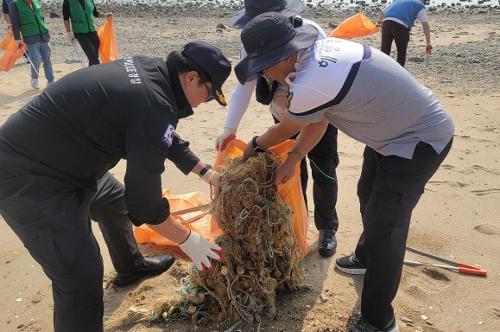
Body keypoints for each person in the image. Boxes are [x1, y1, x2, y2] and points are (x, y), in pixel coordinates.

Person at [236, 13, 454, 332]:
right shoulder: (315, 55)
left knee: (386, 226)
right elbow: (320, 119)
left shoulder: (310, 81)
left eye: (264, 66)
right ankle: (365, 259)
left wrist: (254, 145)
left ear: (282, 56)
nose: (265, 74)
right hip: (387, 135)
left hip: (419, 140)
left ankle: (378, 320)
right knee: (367, 193)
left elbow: (290, 126)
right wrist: (295, 156)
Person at [0, 41, 231, 332]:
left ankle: (130, 265)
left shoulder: (152, 71)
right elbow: (144, 204)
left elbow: (161, 133)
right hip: (30, 177)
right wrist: (189, 240)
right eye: (209, 95)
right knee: (80, 276)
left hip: (66, 156)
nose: (202, 103)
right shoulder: (154, 103)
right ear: (191, 78)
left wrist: (205, 172)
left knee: (112, 200)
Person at [216, 0, 339, 257]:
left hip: (319, 113)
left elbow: (324, 104)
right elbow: (245, 84)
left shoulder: (312, 36)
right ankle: (296, 222)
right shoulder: (253, 40)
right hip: (283, 117)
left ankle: (327, 228)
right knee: (292, 170)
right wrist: (229, 127)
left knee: (323, 167)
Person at [8, 0, 54, 89]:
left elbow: (41, 16)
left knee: (47, 59)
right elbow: (15, 23)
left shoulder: (36, 1)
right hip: (30, 36)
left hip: (43, 34)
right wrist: (17, 38)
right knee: (36, 60)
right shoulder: (15, 4)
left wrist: (46, 29)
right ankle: (34, 78)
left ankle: (51, 80)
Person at [375, 0, 432, 67]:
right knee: (401, 55)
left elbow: (382, 12)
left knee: (384, 52)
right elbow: (425, 24)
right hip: (401, 26)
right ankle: (398, 75)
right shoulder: (420, 5)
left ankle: (380, 73)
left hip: (386, 23)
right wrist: (428, 42)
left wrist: (378, 23)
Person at [63, 0, 111, 66]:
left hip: (92, 31)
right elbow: (66, 19)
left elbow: (95, 13)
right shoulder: (68, 1)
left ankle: (91, 73)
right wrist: (69, 33)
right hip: (80, 33)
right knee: (93, 58)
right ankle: (97, 73)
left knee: (94, 56)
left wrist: (105, 15)